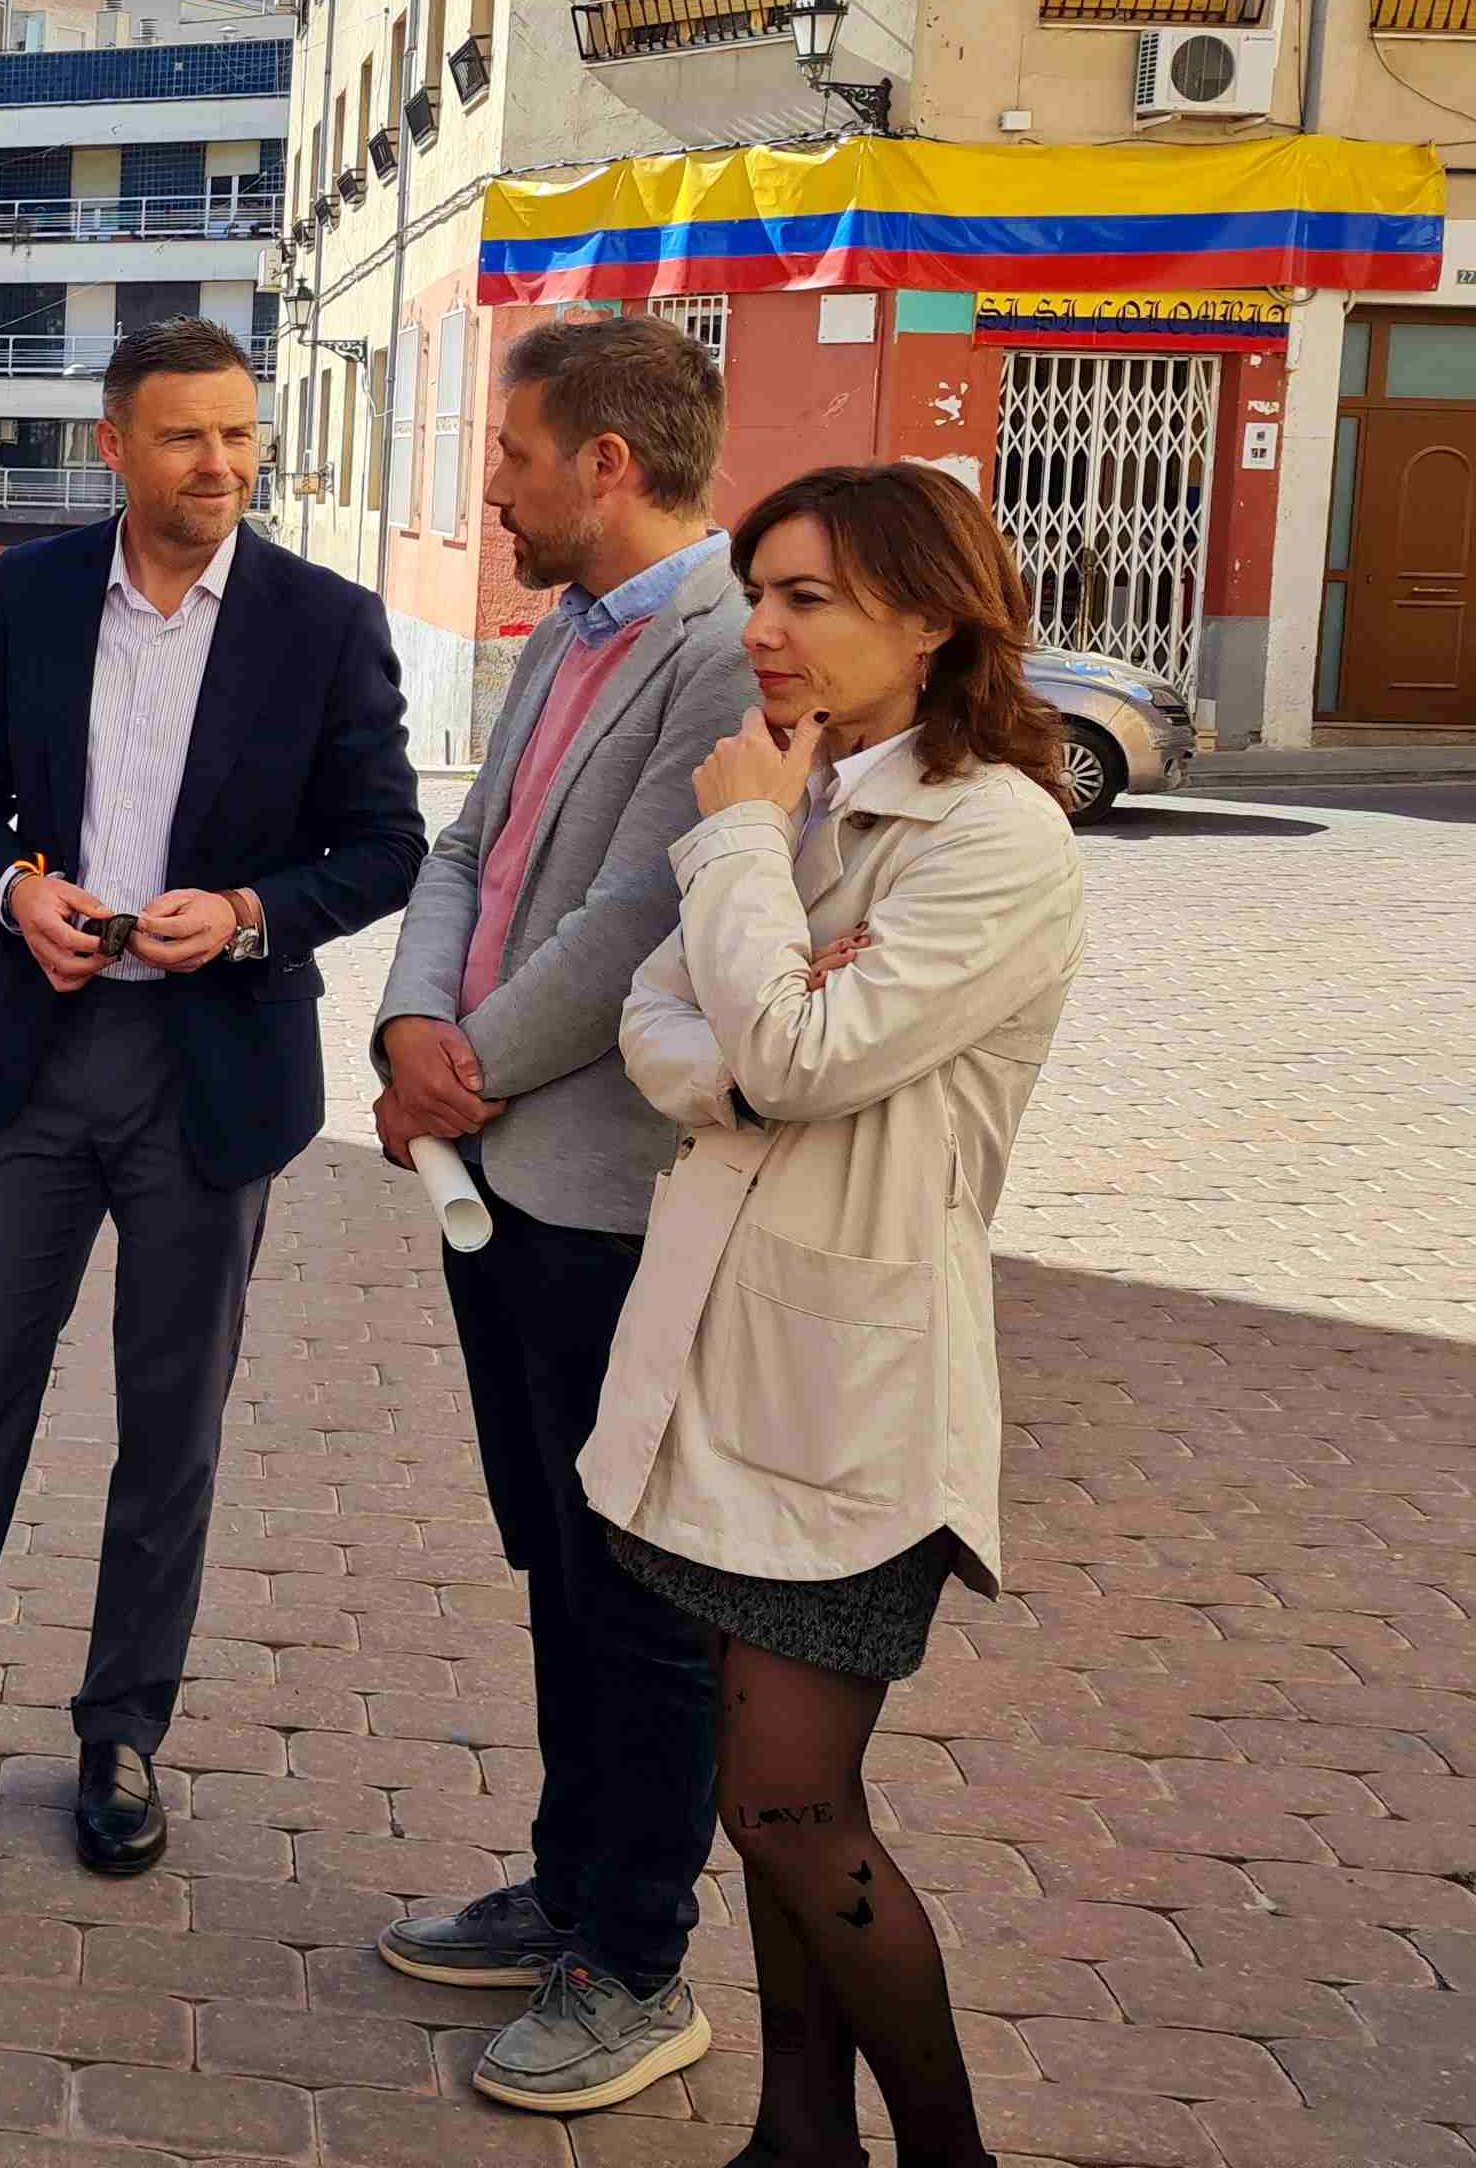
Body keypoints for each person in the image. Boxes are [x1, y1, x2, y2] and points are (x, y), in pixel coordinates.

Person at [0, 315, 424, 1874]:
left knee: (168, 1426)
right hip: (35, 1059)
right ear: (114, 446)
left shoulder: (325, 623)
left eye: (241, 435)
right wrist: (11, 892)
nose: (221, 464)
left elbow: (384, 840)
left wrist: (255, 915)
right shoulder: (43, 593)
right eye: (187, 436)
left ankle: (121, 1738)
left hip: (215, 1072)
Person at [585, 462, 1086, 2168]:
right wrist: (752, 1022)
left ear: (932, 618)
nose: (769, 631)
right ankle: (802, 2139)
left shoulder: (995, 833)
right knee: (765, 1805)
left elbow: (801, 1052)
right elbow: (675, 1021)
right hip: (728, 1363)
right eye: (761, 591)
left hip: (856, 1394)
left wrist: (737, 867)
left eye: (810, 597)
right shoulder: (799, 797)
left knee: (796, 1807)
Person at [369, 315, 752, 2114]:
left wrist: (464, 1067)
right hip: (499, 1178)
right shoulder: (566, 631)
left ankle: (641, 1955)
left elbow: (633, 916)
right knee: (552, 1562)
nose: (494, 483)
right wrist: (405, 1027)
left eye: (513, 454)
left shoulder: (723, 643)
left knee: (640, 1593)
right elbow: (470, 854)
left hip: (607, 1194)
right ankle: (568, 1889)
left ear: (607, 462)